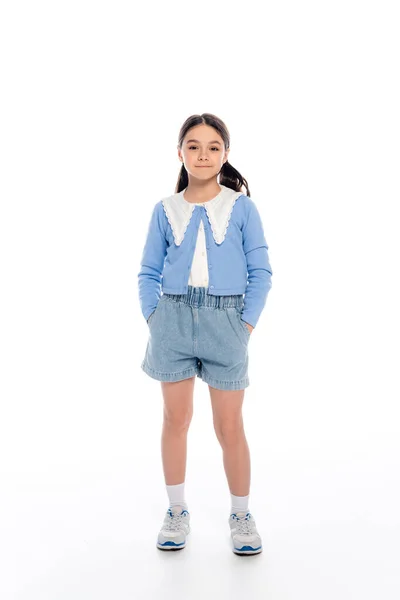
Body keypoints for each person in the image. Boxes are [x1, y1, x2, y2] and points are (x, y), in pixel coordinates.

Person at [137, 113, 273, 555]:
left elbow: (261, 272)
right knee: (175, 420)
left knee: (229, 425)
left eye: (213, 146)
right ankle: (176, 510)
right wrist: (155, 317)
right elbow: (147, 271)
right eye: (193, 146)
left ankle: (241, 514)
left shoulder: (241, 208)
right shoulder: (165, 209)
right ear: (180, 153)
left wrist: (244, 325)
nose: (203, 154)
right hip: (172, 322)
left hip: (226, 323)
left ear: (226, 154)